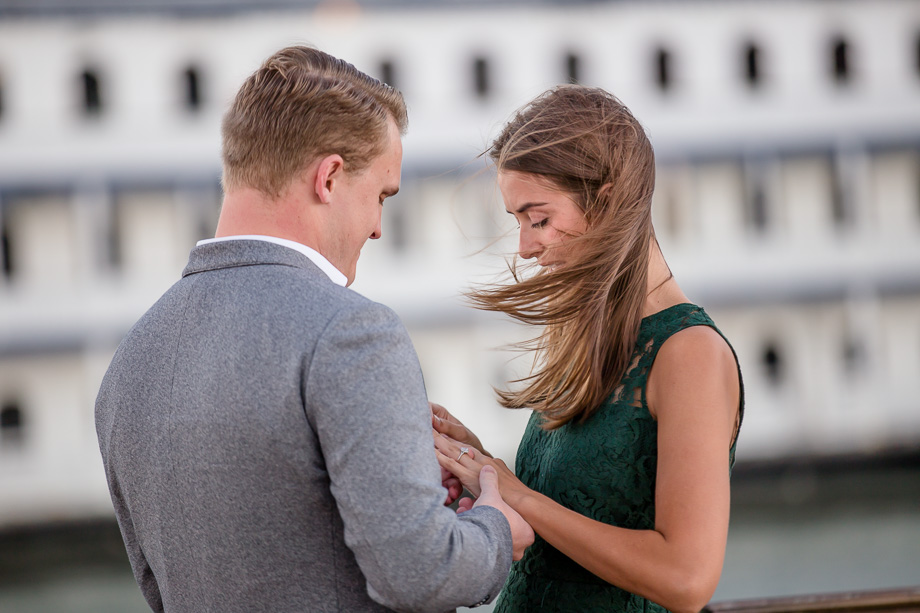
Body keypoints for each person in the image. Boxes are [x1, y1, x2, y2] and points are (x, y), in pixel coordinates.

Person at [95, 45, 532, 613]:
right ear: (329, 178)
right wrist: (495, 526)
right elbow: (424, 576)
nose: (377, 228)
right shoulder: (351, 332)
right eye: (381, 196)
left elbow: (160, 589)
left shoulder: (132, 359)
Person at [432, 85, 744, 613]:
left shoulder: (690, 353)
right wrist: (480, 467)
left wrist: (515, 492)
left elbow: (687, 579)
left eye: (538, 219)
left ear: (605, 201)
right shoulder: (583, 335)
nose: (524, 248)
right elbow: (574, 517)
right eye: (518, 222)